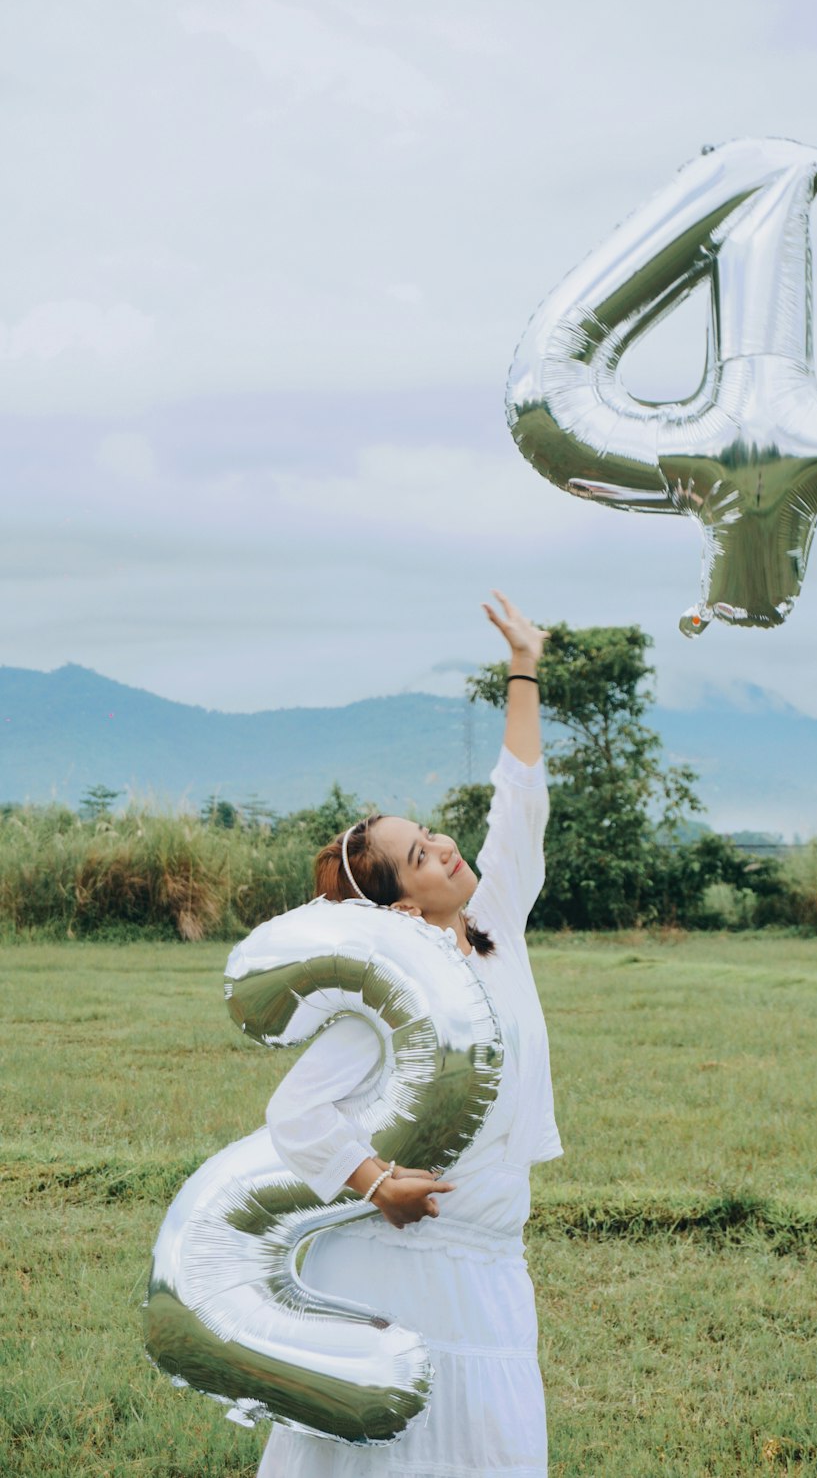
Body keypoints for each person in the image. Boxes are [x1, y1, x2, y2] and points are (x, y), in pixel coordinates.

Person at [257, 592, 562, 1478]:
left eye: (434, 835)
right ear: (396, 901)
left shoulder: (496, 919)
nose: (447, 849)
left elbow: (522, 803)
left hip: (493, 1253)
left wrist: (524, 665)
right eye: (423, 855)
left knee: (491, 1445)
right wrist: (374, 1182)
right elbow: (299, 1111)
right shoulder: (395, 988)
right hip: (405, 1257)